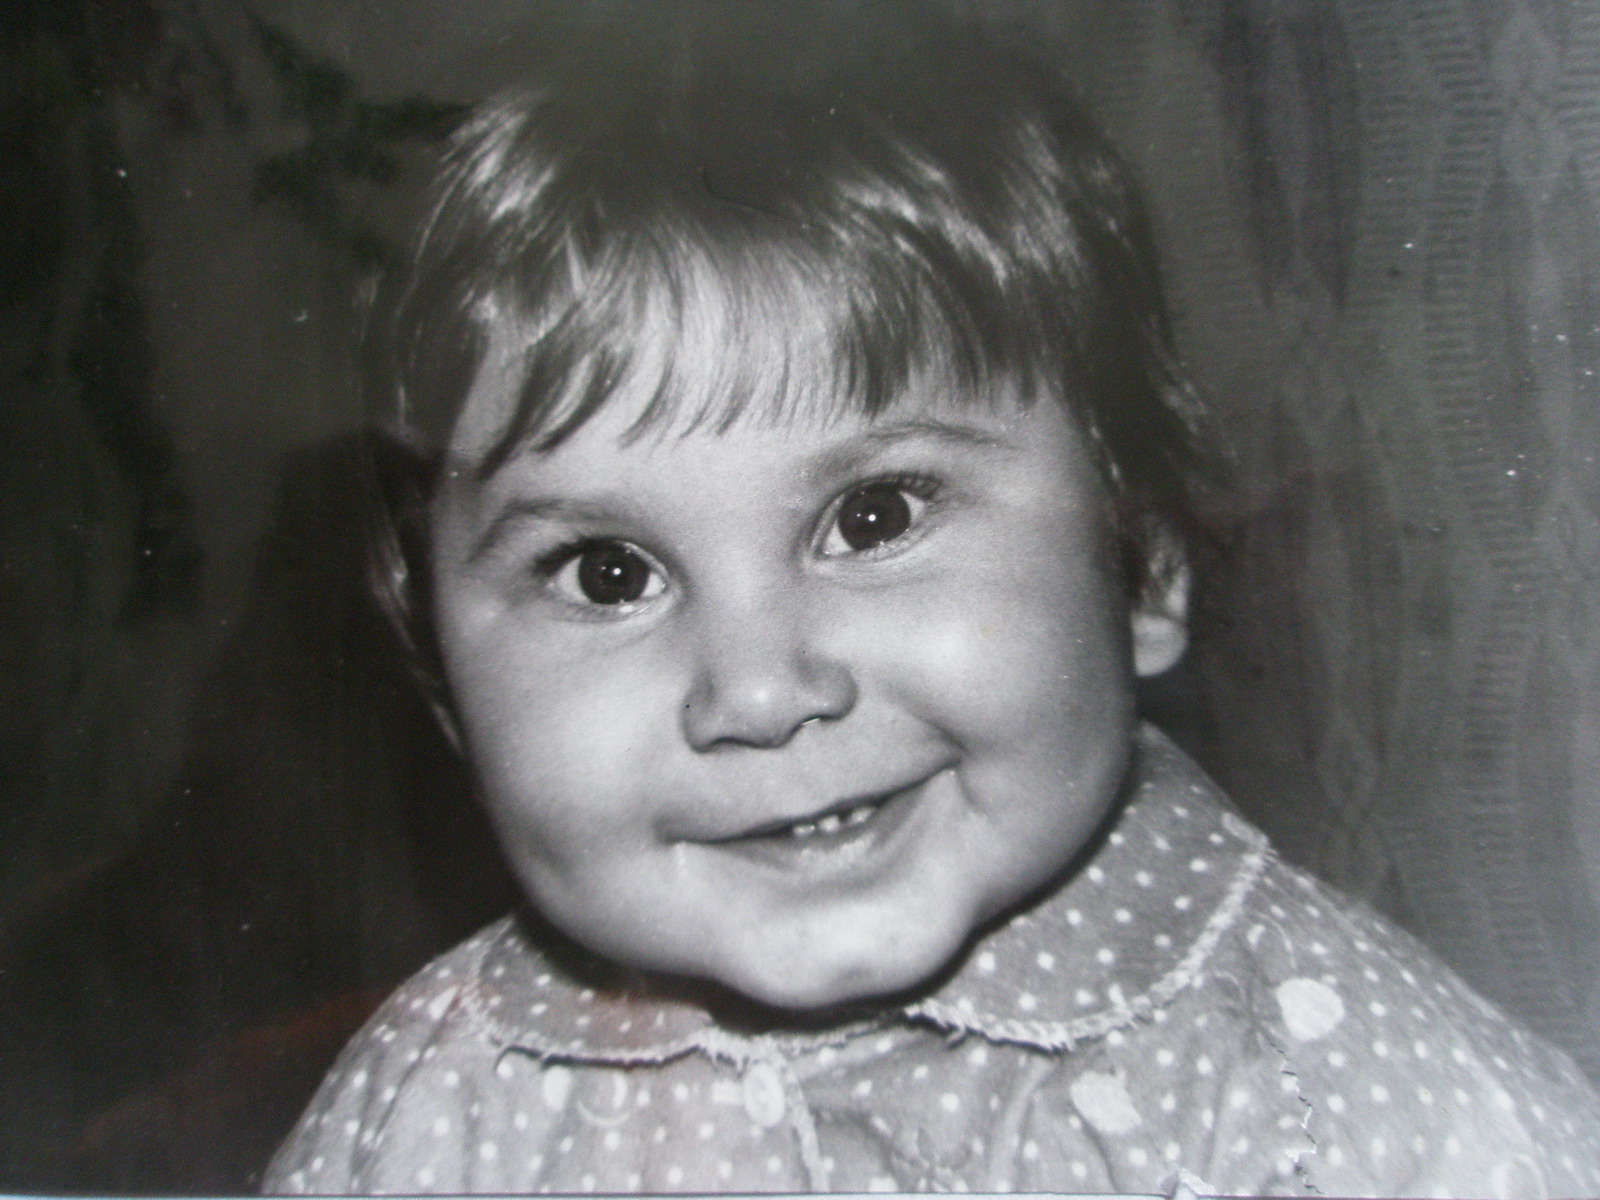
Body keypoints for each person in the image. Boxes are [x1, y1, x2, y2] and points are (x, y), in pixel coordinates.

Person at [263, 2, 1600, 1194]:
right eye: (608, 574)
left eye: (874, 518)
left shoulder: (1365, 1105)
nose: (761, 691)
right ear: (443, 680)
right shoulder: (418, 1118)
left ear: (1143, 558)